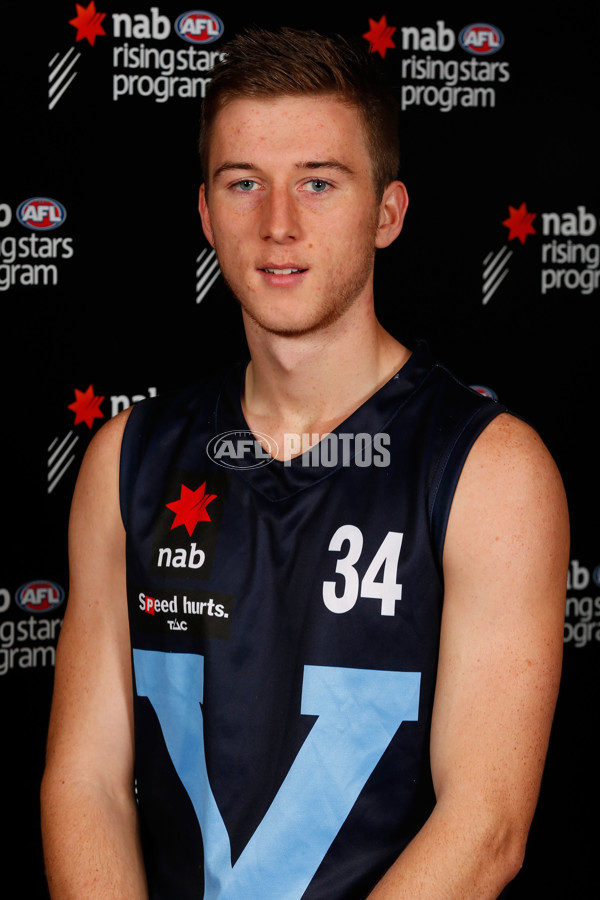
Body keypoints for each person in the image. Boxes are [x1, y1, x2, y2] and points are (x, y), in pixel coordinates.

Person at [41, 27, 569, 900]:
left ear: (387, 213)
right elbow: (85, 782)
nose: (278, 225)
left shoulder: (492, 471)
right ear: (207, 214)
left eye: (318, 183)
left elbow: (486, 828)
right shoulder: (126, 460)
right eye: (244, 183)